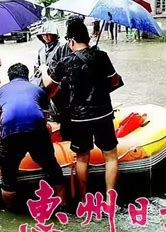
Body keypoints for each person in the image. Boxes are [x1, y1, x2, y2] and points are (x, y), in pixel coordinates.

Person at [40, 20, 120, 202]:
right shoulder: (101, 56)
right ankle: (110, 200)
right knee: (110, 156)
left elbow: (47, 83)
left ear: (71, 40)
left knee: (82, 158)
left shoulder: (65, 61)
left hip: (79, 118)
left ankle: (84, 200)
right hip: (103, 113)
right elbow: (114, 81)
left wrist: (45, 69)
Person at [0, 63, 67, 210]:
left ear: (10, 77)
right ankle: (63, 204)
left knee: (8, 178)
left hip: (11, 134)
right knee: (53, 168)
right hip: (36, 131)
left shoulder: (0, 92)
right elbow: (44, 120)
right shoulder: (38, 90)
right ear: (27, 76)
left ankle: (10, 211)